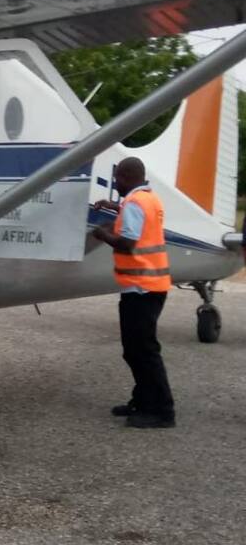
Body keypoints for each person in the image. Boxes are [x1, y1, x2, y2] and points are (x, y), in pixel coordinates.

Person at [92, 157, 175, 429]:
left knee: (143, 351)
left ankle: (162, 411)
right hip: (149, 286)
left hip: (141, 288)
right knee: (134, 350)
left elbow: (127, 244)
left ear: (126, 177)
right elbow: (137, 221)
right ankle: (142, 400)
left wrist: (103, 234)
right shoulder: (147, 199)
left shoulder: (134, 204)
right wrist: (115, 207)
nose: (115, 182)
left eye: (117, 178)